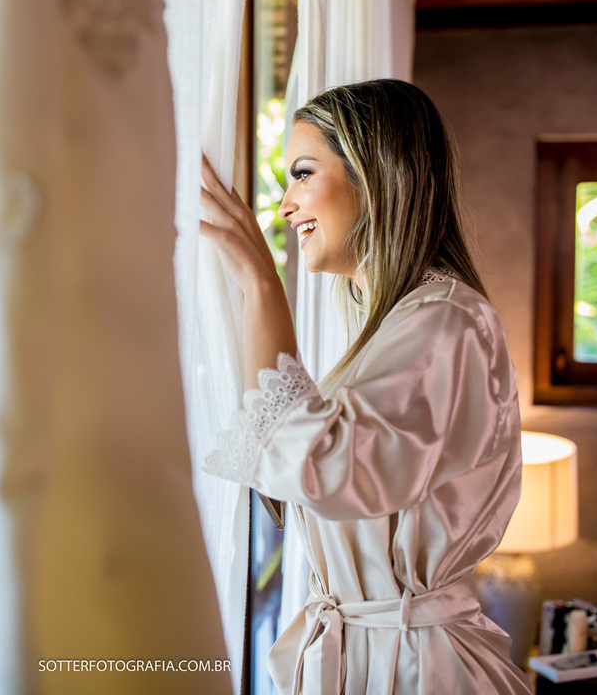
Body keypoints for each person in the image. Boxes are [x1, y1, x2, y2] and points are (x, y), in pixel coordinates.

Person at [199, 79, 532, 694]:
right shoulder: (399, 328)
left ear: (375, 173)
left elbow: (322, 464)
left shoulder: (448, 323)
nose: (284, 205)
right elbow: (285, 462)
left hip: (412, 670)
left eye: (302, 173)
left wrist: (260, 284)